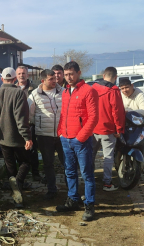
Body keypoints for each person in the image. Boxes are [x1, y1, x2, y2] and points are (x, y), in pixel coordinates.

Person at [56, 61, 98, 222]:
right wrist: (61, 132)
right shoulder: (66, 91)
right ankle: (73, 199)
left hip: (81, 140)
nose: (68, 77)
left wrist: (81, 137)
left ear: (79, 73)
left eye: (71, 74)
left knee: (87, 174)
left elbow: (93, 117)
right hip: (66, 139)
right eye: (66, 74)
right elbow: (63, 115)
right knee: (70, 172)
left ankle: (89, 205)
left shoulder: (89, 91)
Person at [0, 67, 33, 208]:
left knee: (10, 165)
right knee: (26, 162)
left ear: (2, 79)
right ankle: (17, 184)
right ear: (15, 79)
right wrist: (27, 137)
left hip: (2, 137)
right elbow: (21, 118)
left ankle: (15, 190)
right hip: (18, 137)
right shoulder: (19, 93)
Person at [28, 69, 64, 200]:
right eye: (51, 79)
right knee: (48, 164)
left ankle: (71, 189)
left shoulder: (63, 92)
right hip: (44, 135)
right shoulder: (34, 95)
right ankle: (52, 189)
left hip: (62, 135)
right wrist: (40, 125)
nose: (55, 81)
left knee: (68, 162)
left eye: (55, 78)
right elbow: (30, 116)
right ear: (42, 81)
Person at [92, 67, 126, 192]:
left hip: (93, 128)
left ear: (103, 75)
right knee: (108, 157)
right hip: (108, 129)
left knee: (91, 155)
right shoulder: (113, 90)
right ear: (115, 77)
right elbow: (116, 111)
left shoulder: (93, 88)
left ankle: (88, 180)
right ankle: (107, 183)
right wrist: (119, 129)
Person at [16, 66, 40, 181]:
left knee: (33, 149)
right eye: (19, 73)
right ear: (16, 75)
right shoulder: (13, 88)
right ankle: (22, 175)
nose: (21, 75)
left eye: (24, 73)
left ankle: (36, 173)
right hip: (16, 125)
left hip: (30, 124)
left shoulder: (34, 88)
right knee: (19, 150)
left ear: (27, 75)